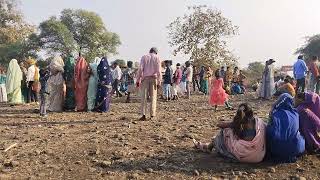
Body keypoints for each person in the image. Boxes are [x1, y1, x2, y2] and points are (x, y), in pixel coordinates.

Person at [193, 103, 266, 163]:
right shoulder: (260, 122)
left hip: (245, 156)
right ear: (252, 113)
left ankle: (209, 147)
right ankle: (209, 146)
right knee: (231, 131)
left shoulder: (239, 122)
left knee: (225, 131)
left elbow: (220, 125)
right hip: (259, 156)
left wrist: (234, 123)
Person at [266, 93, 305, 162]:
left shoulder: (274, 114)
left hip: (276, 150)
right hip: (295, 149)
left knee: (267, 130)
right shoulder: (295, 113)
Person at [136, 47, 162, 121]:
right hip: (154, 79)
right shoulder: (157, 58)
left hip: (145, 79)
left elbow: (140, 69)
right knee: (153, 97)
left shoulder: (144, 57)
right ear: (156, 52)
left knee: (143, 97)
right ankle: (152, 115)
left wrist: (138, 80)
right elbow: (159, 71)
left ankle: (143, 114)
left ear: (150, 51)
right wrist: (159, 81)